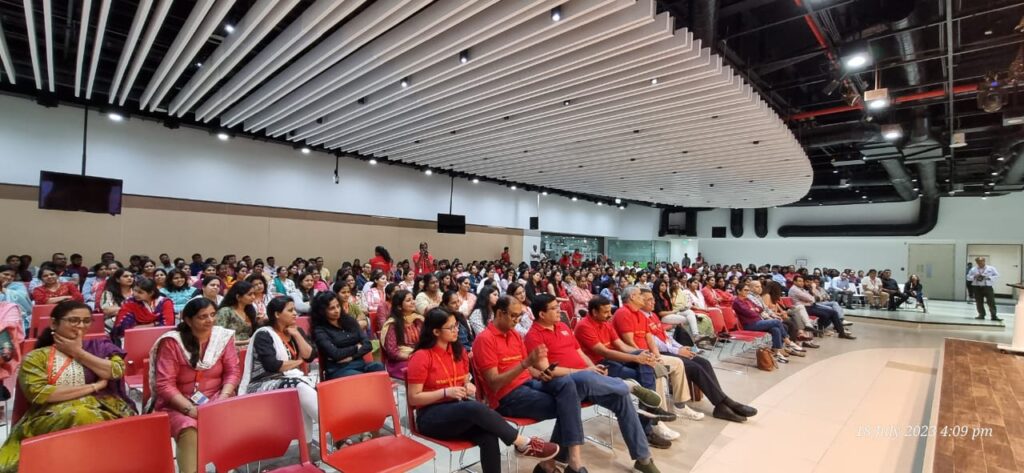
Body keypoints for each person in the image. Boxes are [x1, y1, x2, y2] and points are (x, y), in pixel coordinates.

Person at [407, 307, 560, 473]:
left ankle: (521, 445)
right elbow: (414, 398)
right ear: (436, 331)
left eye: (456, 325)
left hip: (458, 410)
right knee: (473, 407)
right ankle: (522, 442)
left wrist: (467, 385)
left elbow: (463, 379)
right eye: (450, 327)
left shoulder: (458, 352)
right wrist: (445, 392)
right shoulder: (422, 356)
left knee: (488, 434)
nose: (456, 330)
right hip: (431, 417)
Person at [0, 301, 135, 472]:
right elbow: (41, 394)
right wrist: (94, 386)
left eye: (86, 321)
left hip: (105, 408)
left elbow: (115, 371)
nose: (81, 325)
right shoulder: (36, 357)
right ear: (54, 323)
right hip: (50, 415)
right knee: (82, 414)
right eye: (74, 320)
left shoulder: (101, 346)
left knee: (88, 416)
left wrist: (78, 352)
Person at [472, 295, 590, 473]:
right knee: (568, 404)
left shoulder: (514, 335)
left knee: (566, 385)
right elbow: (494, 384)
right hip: (507, 397)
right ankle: (567, 462)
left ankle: (555, 462)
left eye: (519, 316)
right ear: (499, 313)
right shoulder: (484, 339)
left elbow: (528, 371)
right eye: (513, 316)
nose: (517, 320)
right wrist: (526, 363)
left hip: (528, 383)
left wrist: (541, 374)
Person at [149, 298, 239, 473]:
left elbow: (232, 372)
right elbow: (165, 385)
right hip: (178, 403)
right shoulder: (172, 342)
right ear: (188, 320)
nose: (210, 320)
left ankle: (227, 467)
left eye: (213, 315)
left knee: (233, 417)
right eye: (203, 316)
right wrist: (190, 409)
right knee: (189, 426)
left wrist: (223, 398)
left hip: (217, 397)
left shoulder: (222, 337)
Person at [638, 290, 757, 423]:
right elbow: (653, 342)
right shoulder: (640, 317)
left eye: (653, 298)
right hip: (659, 353)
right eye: (648, 300)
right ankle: (724, 402)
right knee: (695, 367)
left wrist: (679, 347)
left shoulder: (652, 315)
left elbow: (666, 337)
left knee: (704, 362)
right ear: (639, 301)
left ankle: (721, 404)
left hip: (670, 349)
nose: (653, 302)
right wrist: (677, 351)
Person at [239, 296, 318, 441]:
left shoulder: (295, 331)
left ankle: (306, 453)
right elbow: (273, 365)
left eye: (294, 309)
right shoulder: (264, 334)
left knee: (303, 392)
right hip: (262, 383)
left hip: (289, 379)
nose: (295, 313)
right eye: (290, 310)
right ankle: (331, 424)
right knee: (299, 387)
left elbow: (310, 356)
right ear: (276, 314)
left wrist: (296, 335)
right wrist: (298, 361)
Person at [613, 286, 694, 419]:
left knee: (678, 362)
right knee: (658, 373)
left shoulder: (640, 314)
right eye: (640, 295)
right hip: (633, 357)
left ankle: (680, 406)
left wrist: (657, 356)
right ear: (632, 297)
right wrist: (650, 358)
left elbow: (650, 340)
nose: (644, 299)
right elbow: (629, 344)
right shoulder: (623, 313)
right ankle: (657, 414)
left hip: (648, 355)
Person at [311, 292, 383, 379]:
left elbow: (368, 344)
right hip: (338, 369)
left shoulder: (349, 321)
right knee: (359, 377)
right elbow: (335, 354)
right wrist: (356, 347)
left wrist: (352, 357)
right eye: (332, 308)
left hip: (359, 364)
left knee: (378, 367)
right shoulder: (320, 330)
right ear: (322, 311)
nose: (337, 310)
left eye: (338, 306)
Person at [733, 283, 792, 364]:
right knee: (777, 322)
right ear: (738, 291)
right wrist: (754, 309)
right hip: (750, 325)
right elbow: (749, 313)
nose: (747, 292)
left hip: (758, 321)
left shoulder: (747, 300)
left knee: (775, 329)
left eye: (748, 290)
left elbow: (760, 308)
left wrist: (754, 309)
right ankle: (788, 341)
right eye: (745, 290)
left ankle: (776, 352)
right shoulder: (737, 302)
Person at [789, 276, 855, 340]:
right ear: (794, 282)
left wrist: (813, 298)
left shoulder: (801, 289)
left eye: (802, 281)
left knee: (833, 312)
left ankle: (841, 332)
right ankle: (819, 330)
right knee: (827, 315)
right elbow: (811, 298)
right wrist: (813, 296)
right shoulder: (795, 290)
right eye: (799, 281)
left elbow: (812, 298)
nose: (802, 283)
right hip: (804, 308)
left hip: (810, 306)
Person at [381, 290, 424, 379]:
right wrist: (413, 356)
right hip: (401, 361)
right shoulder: (392, 324)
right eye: (408, 300)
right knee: (418, 367)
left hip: (420, 355)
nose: (413, 302)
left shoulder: (419, 320)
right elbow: (392, 352)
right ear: (399, 306)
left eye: (413, 299)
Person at [215, 280, 259, 347]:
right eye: (250, 294)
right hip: (230, 349)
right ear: (238, 297)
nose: (253, 297)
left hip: (248, 348)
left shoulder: (249, 311)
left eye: (254, 294)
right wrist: (246, 342)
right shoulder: (225, 312)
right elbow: (219, 338)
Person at [0, 266, 32, 331]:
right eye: (6, 274)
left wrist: (3, 289)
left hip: (15, 318)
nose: (9, 277)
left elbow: (23, 298)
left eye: (12, 276)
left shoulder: (18, 285)